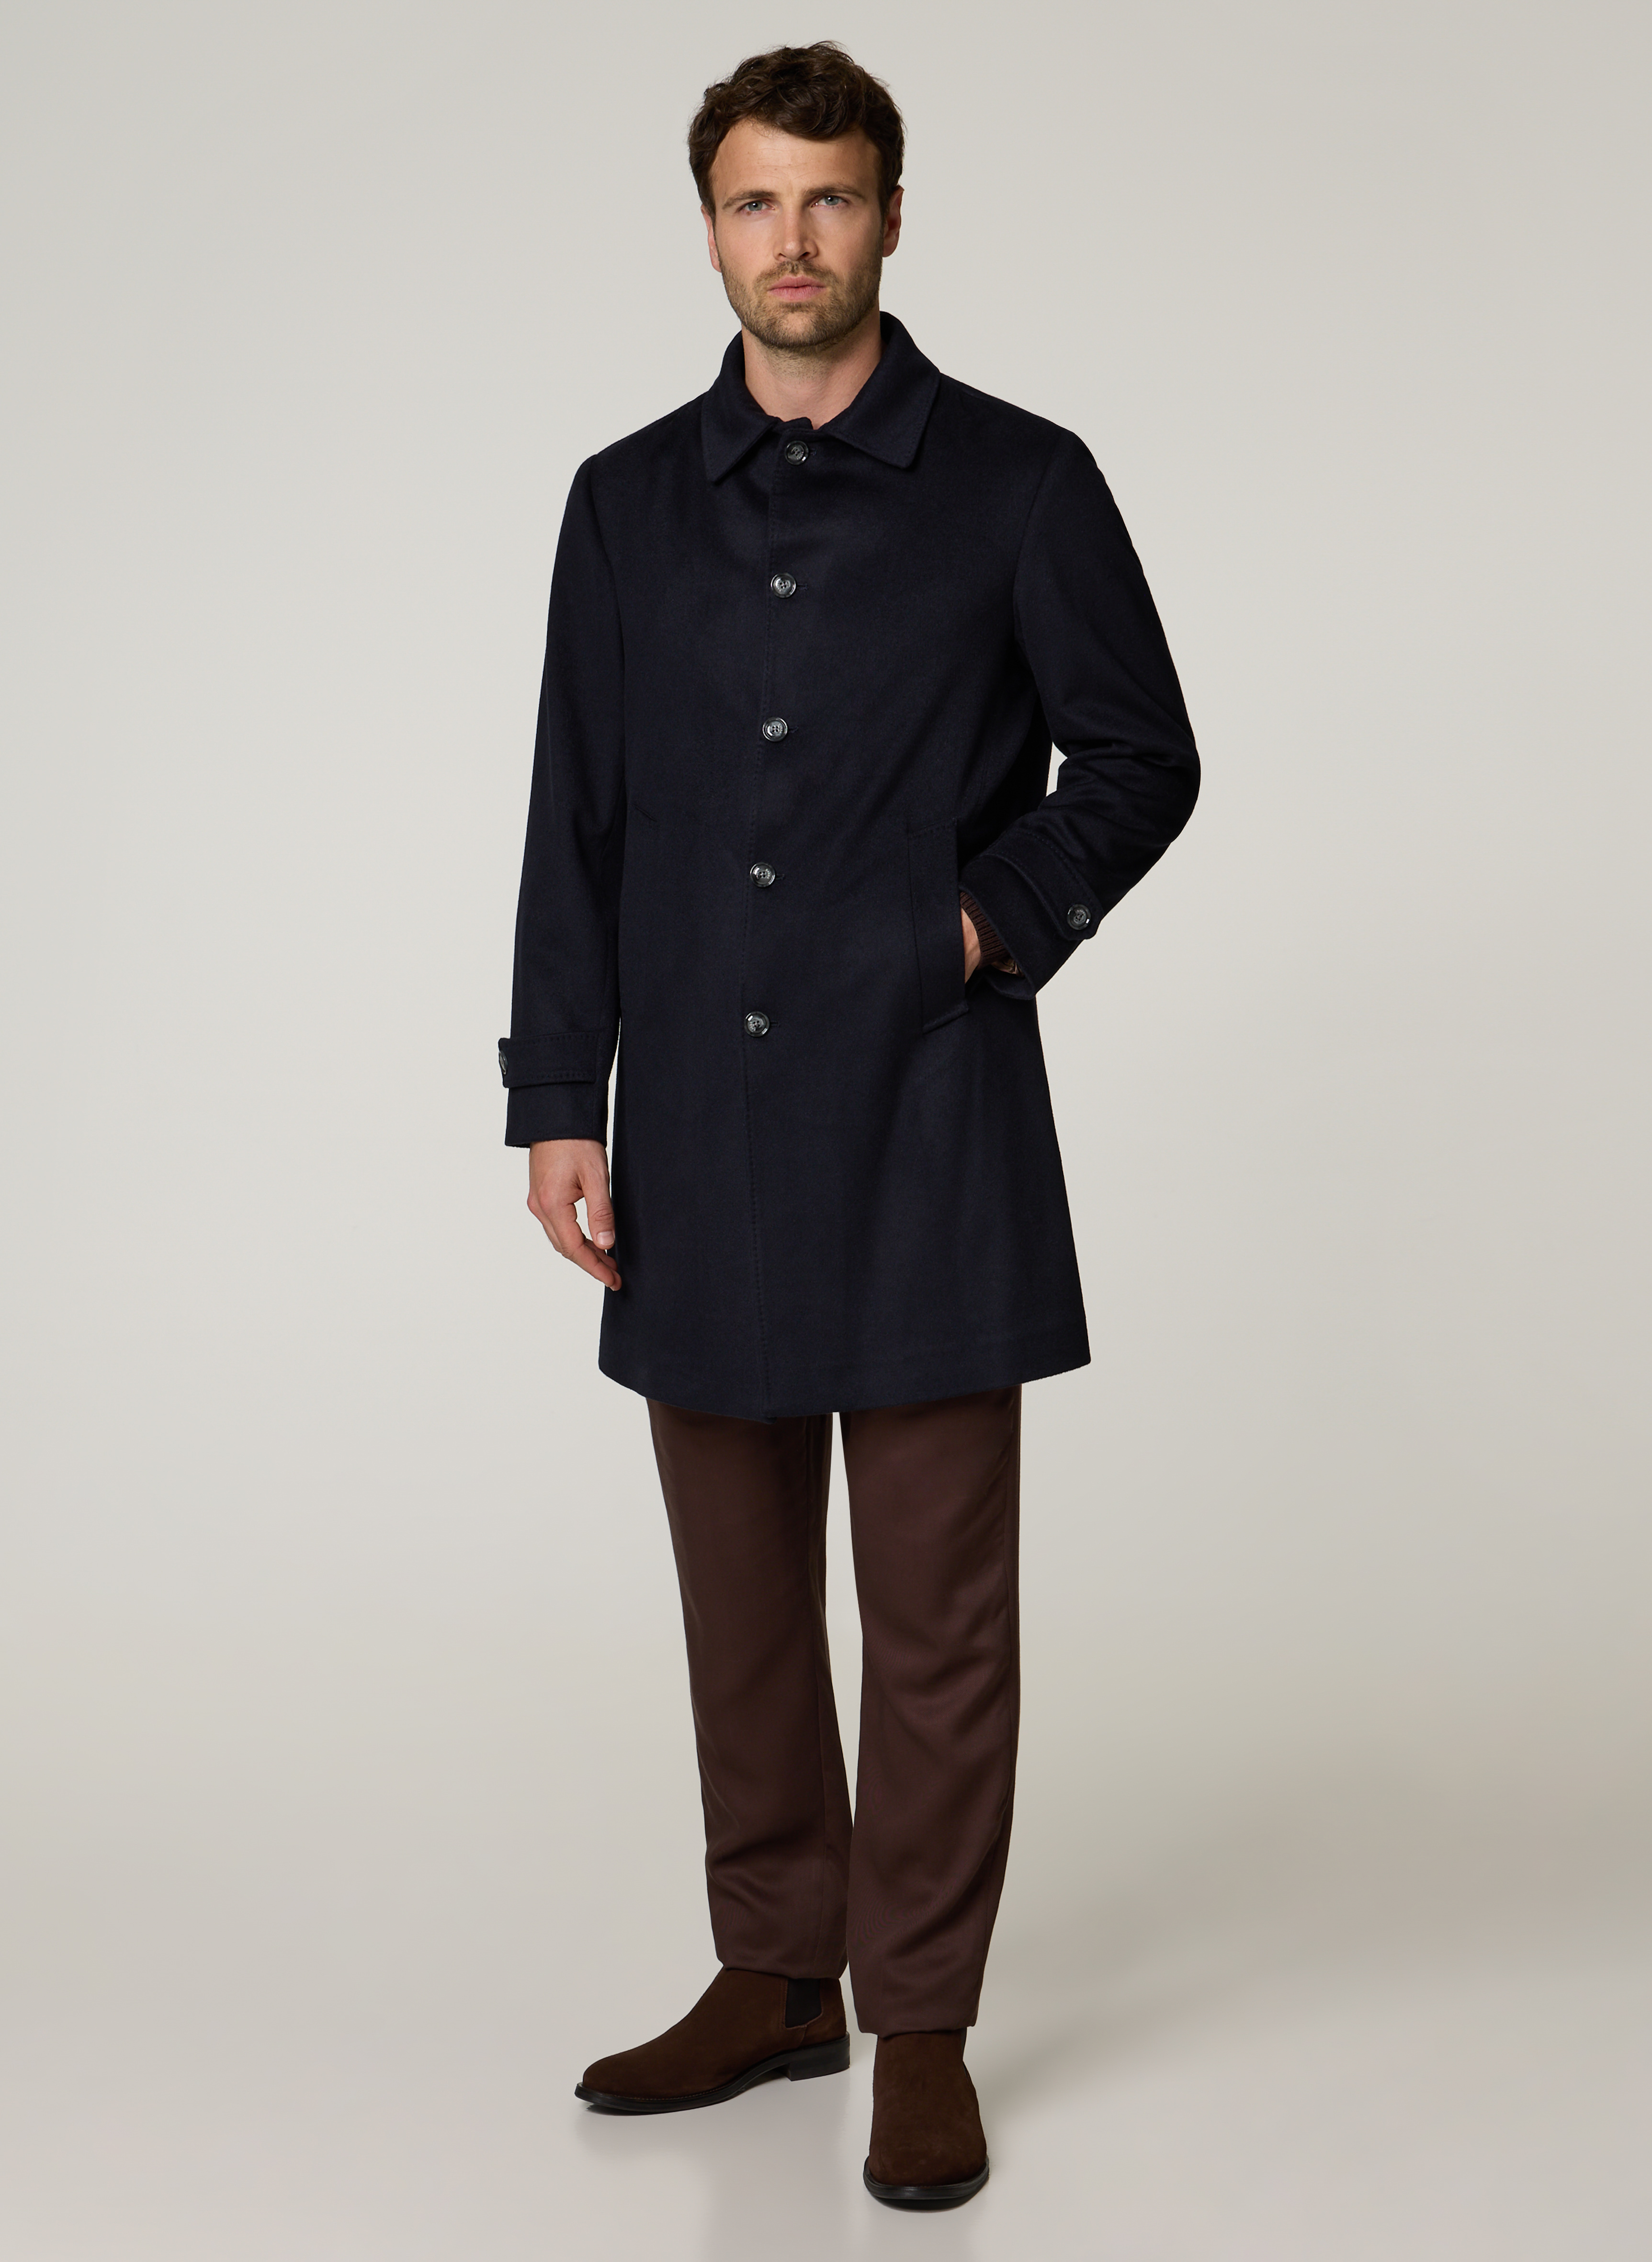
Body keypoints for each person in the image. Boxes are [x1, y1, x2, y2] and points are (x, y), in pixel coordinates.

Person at [499, 40, 1199, 2210]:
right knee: (738, 1598)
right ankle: (775, 1972)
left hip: (928, 1118)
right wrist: (557, 1096)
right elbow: (578, 812)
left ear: (892, 213)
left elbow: (1141, 754)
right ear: (708, 226)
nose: (791, 240)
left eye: (829, 198)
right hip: (695, 1128)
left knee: (937, 1614)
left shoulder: (1021, 481)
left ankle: (920, 2024)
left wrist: (976, 922)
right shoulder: (625, 501)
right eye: (754, 201)